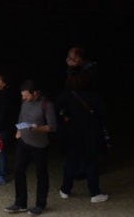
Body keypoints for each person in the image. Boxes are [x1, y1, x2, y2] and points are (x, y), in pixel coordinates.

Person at [56, 70, 109, 204]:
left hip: (72, 133)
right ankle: (95, 193)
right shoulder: (94, 96)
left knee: (71, 162)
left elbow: (57, 111)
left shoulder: (66, 96)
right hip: (91, 133)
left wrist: (64, 117)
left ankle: (65, 190)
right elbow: (103, 113)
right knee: (91, 163)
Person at [6, 79, 57, 216]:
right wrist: (18, 129)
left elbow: (52, 127)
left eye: (26, 95)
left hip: (39, 145)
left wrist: (38, 128)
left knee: (41, 174)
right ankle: (20, 203)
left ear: (34, 93)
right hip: (24, 142)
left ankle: (40, 205)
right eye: (22, 95)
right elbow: (21, 116)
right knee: (18, 170)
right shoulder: (24, 101)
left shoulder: (47, 104)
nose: (23, 98)